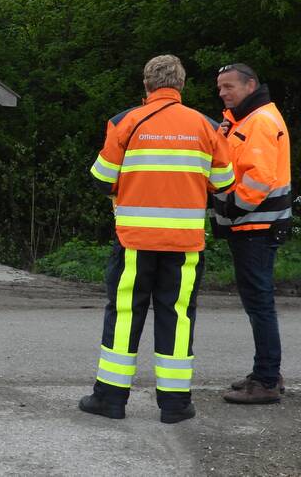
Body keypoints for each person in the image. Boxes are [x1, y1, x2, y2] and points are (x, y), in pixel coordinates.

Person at [80, 55, 234, 424]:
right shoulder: (206, 126)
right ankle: (175, 406)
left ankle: (111, 399)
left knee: (123, 316)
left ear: (146, 84)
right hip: (184, 246)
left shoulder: (124, 122)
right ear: (180, 85)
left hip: (134, 240)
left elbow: (102, 179)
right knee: (177, 318)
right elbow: (224, 182)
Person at [213, 63, 292, 404]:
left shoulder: (259, 120)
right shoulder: (245, 119)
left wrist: (231, 207)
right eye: (220, 88)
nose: (223, 93)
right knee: (258, 302)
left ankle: (266, 380)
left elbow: (257, 178)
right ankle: (267, 371)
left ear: (250, 85)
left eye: (229, 86)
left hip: (255, 225)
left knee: (259, 303)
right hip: (253, 225)